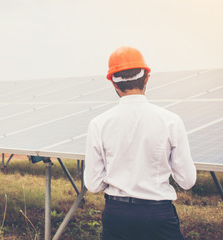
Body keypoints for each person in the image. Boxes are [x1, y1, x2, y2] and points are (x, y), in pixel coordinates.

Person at [84, 46, 197, 240]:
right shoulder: (171, 121)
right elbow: (187, 181)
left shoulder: (99, 124)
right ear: (146, 78)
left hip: (117, 216)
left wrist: (117, 176)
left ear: (113, 83)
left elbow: (93, 184)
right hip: (159, 216)